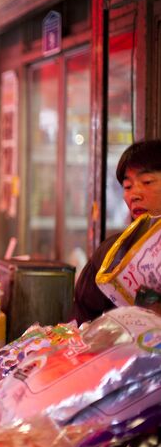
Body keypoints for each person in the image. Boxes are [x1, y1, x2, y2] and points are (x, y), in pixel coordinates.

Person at [71, 139, 161, 325]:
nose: (134, 194)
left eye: (147, 182)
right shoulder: (110, 253)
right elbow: (81, 320)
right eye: (128, 187)